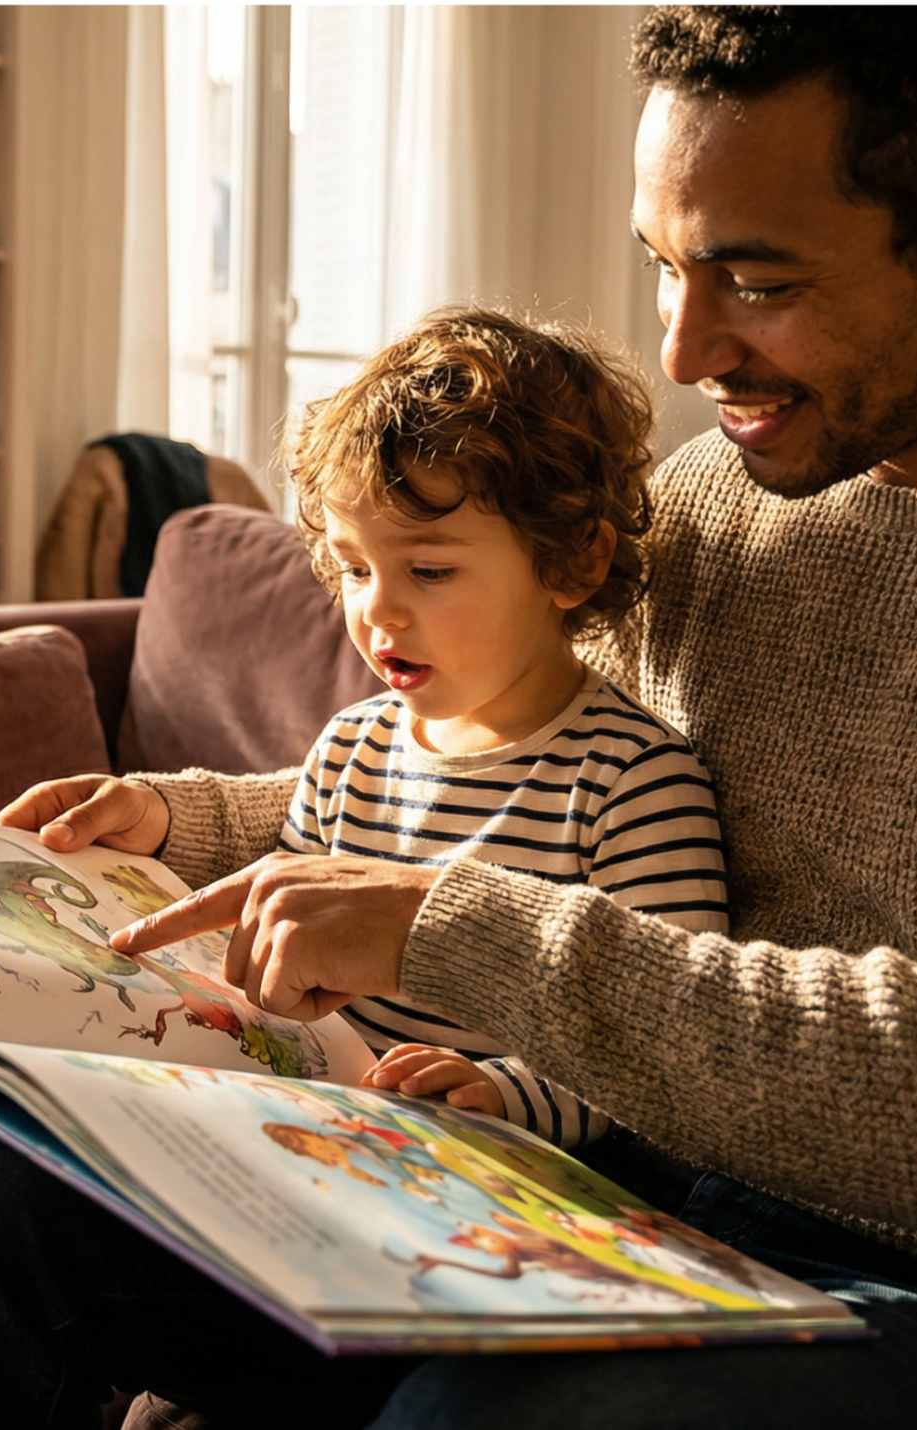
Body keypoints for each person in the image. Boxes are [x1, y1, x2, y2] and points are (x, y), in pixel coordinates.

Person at [0, 6, 917, 1428]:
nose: (686, 350)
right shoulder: (716, 507)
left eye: (755, 276)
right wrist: (195, 832)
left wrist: (451, 926)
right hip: (634, 1199)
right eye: (667, 267)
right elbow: (461, 761)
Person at [245, 306, 731, 1148]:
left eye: (428, 570)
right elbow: (287, 941)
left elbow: (663, 1048)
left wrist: (505, 1093)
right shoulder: (348, 752)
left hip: (499, 1175)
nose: (376, 607)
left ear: (573, 563)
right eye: (354, 567)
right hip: (332, 1136)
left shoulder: (632, 781)